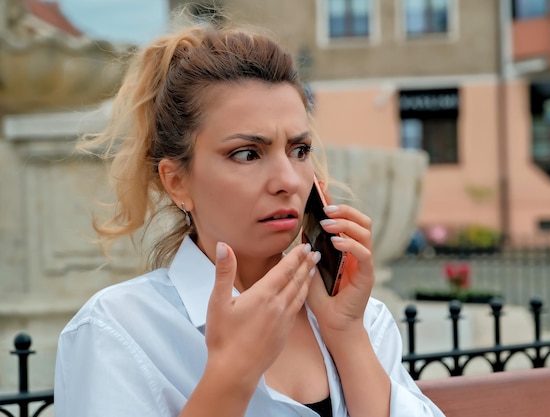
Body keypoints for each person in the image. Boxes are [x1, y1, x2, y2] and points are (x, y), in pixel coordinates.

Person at [54, 13, 446, 417]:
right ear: (177, 182)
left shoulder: (358, 315)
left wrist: (347, 336)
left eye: (299, 151)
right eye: (247, 153)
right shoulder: (118, 330)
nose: (287, 181)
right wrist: (232, 374)